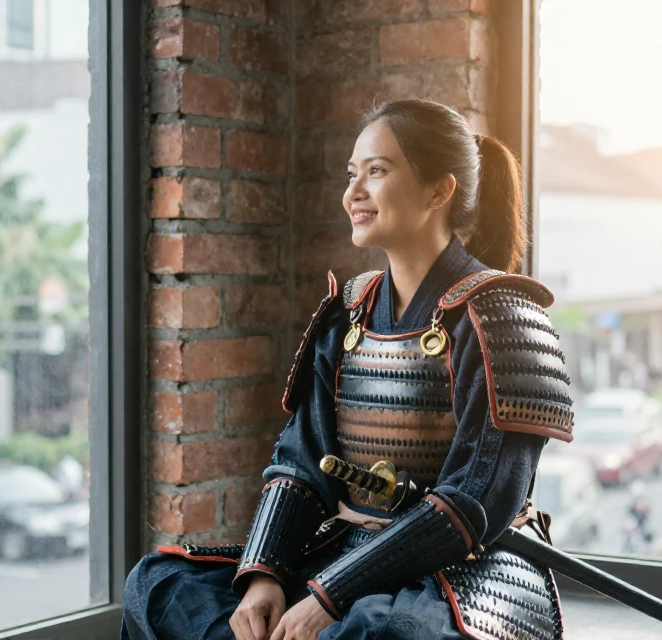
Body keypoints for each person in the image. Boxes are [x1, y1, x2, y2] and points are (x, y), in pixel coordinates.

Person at [122, 99, 576, 640]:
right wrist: (265, 575)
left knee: (381, 634)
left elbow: (472, 505)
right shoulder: (349, 311)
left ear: (439, 191)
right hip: (348, 548)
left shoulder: (505, 319)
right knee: (157, 583)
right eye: (351, 174)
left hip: (462, 570)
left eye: (377, 172)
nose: (352, 193)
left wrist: (331, 596)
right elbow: (300, 461)